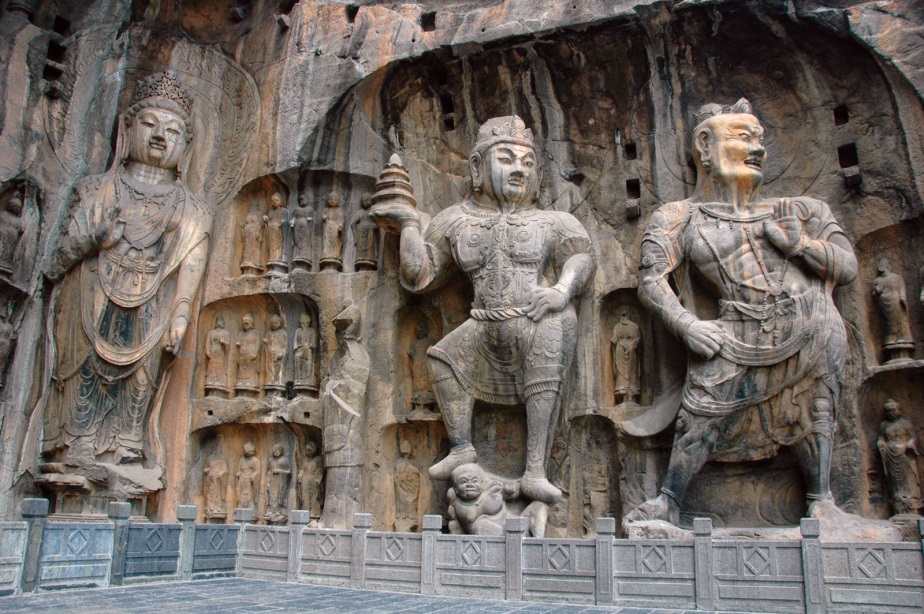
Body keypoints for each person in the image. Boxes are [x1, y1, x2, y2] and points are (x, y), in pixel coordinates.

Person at [625, 98, 858, 527]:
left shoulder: (802, 210)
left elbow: (847, 268)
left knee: (815, 409)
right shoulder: (680, 217)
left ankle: (821, 499)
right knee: (701, 413)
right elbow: (651, 281)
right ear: (705, 145)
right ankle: (670, 500)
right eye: (742, 137)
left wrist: (801, 245)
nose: (757, 149)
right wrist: (686, 324)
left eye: (759, 139)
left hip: (809, 322)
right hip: (735, 329)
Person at [371, 116, 595, 504]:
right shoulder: (455, 221)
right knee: (441, 358)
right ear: (477, 167)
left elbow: (581, 256)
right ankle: (461, 447)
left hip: (536, 322)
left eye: (527, 163)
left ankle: (535, 471)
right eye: (506, 159)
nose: (518, 170)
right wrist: (408, 223)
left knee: (558, 323)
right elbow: (420, 273)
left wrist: (562, 289)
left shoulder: (552, 221)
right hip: (483, 327)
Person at [40, 71, 211, 479]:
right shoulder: (95, 190)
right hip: (91, 292)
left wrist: (181, 315)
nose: (160, 136)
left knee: (141, 375)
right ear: (127, 129)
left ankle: (128, 444)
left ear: (186, 146)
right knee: (83, 365)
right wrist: (92, 240)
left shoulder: (194, 209)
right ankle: (75, 442)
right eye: (150, 124)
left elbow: (191, 267)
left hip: (152, 301)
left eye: (173, 131)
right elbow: (53, 265)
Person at [447, 463, 546, 536]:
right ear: (456, 488)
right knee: (482, 525)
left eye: (474, 481)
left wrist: (509, 489)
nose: (470, 484)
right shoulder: (458, 503)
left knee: (539, 506)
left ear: (481, 484)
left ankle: (538, 540)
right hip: (497, 537)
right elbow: (469, 516)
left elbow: (512, 491)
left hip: (517, 529)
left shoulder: (491, 491)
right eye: (464, 481)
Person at [878, 399, 922, 515]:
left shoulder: (906, 423)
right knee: (895, 482)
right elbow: (881, 438)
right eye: (888, 411)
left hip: (905, 453)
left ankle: (912, 502)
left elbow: (913, 437)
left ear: (898, 410)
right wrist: (881, 444)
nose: (891, 413)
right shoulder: (884, 425)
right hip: (891, 454)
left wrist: (910, 443)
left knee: (909, 478)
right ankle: (897, 502)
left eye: (893, 410)